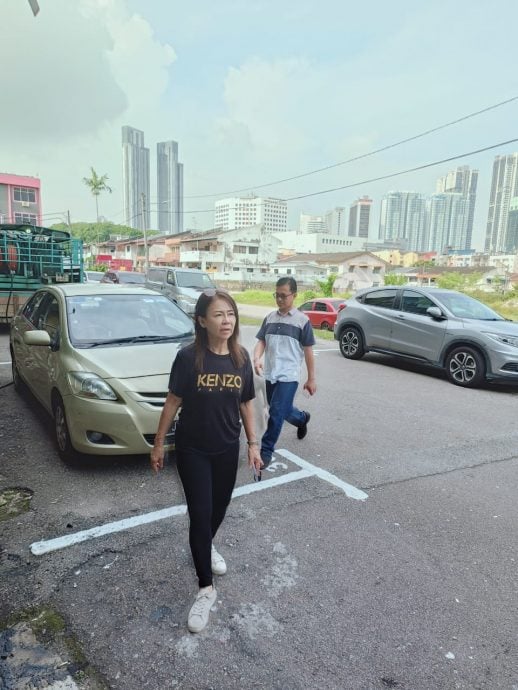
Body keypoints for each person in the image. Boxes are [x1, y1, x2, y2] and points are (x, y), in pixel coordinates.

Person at [150, 289, 262, 634]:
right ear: (201, 321)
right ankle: (205, 589)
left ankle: (204, 545)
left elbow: (246, 404)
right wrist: (158, 444)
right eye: (218, 315)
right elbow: (172, 402)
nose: (226, 320)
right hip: (193, 450)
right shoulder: (188, 358)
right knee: (200, 514)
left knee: (216, 512)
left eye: (230, 313)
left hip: (226, 449)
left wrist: (253, 444)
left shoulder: (241, 358)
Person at [253, 277, 317, 474]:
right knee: (280, 409)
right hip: (271, 373)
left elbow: (308, 351)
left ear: (294, 295)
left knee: (276, 412)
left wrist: (311, 378)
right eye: (277, 295)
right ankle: (301, 418)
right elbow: (261, 340)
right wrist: (257, 357)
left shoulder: (302, 321)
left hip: (289, 376)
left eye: (283, 295)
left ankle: (265, 451)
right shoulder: (270, 318)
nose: (279, 299)